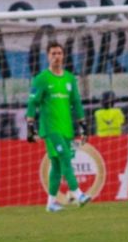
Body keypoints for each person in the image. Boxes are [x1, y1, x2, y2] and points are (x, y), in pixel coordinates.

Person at [27, 42, 91, 212]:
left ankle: (50, 204)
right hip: (50, 129)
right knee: (65, 157)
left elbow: (76, 102)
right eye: (53, 53)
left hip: (66, 128)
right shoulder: (42, 78)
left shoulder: (70, 78)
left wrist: (83, 125)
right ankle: (78, 194)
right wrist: (30, 128)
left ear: (63, 56)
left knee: (56, 165)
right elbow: (32, 103)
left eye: (59, 53)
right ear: (48, 56)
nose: (56, 56)